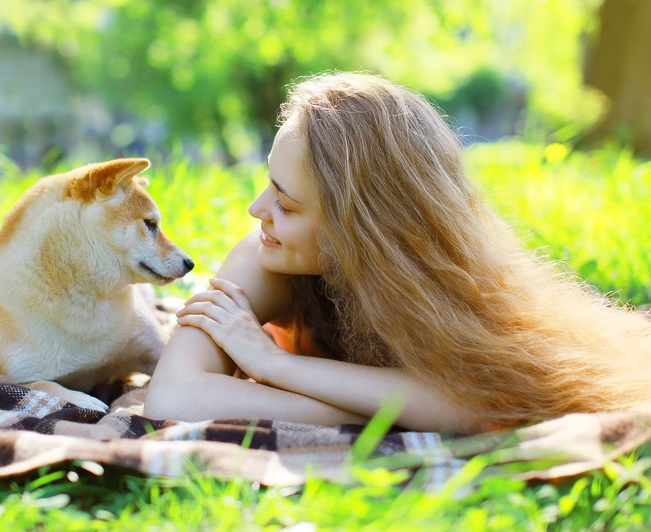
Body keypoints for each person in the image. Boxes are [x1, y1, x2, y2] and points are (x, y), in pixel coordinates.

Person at [143, 72, 651, 433]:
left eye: (288, 204)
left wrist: (276, 366)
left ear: (363, 230)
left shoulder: (437, 282)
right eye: (268, 184)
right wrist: (385, 406)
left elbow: (478, 405)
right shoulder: (264, 257)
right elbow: (174, 398)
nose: (258, 210)